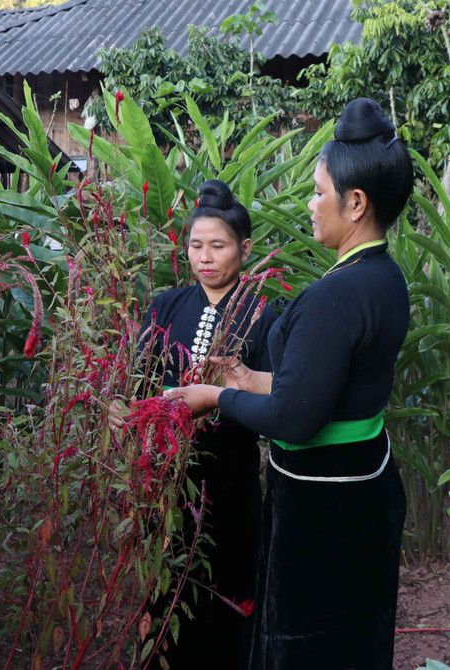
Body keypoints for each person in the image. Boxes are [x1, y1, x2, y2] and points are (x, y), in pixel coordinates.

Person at [168, 98, 413, 670]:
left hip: (324, 506)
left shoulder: (334, 297)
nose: (310, 204)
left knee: (310, 644)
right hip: (364, 483)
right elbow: (326, 387)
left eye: (318, 192)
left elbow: (294, 419)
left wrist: (217, 398)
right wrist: (254, 378)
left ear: (355, 204)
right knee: (357, 636)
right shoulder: (383, 277)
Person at [110, 180, 277, 669]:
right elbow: (134, 378)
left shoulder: (263, 315)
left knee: (226, 588)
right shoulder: (167, 306)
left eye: (219, 246)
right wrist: (120, 404)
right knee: (165, 586)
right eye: (196, 246)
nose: (205, 257)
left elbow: (272, 397)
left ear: (245, 250)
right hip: (164, 477)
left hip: (229, 479)